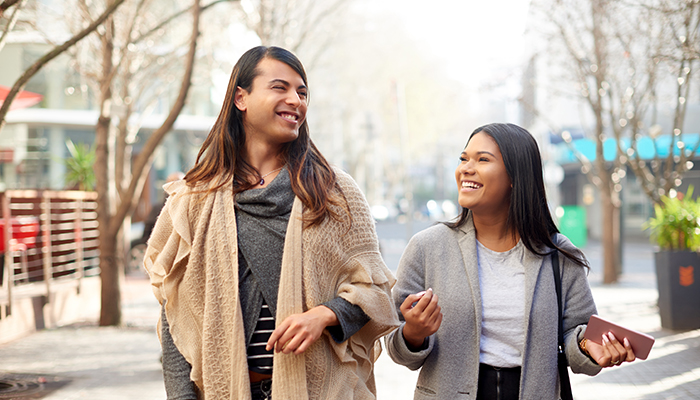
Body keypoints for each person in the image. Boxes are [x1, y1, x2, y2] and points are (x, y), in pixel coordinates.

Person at [143, 46, 399, 400]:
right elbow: (175, 315)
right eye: (280, 88)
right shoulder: (193, 199)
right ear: (241, 98)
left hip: (322, 390)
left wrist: (324, 315)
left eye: (302, 91)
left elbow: (376, 293)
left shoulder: (333, 192)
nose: (295, 100)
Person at [385, 123, 637, 399]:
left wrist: (590, 347)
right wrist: (414, 332)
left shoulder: (558, 253)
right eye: (463, 158)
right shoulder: (427, 247)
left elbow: (577, 334)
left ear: (515, 177)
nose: (466, 168)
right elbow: (398, 348)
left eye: (482, 159)